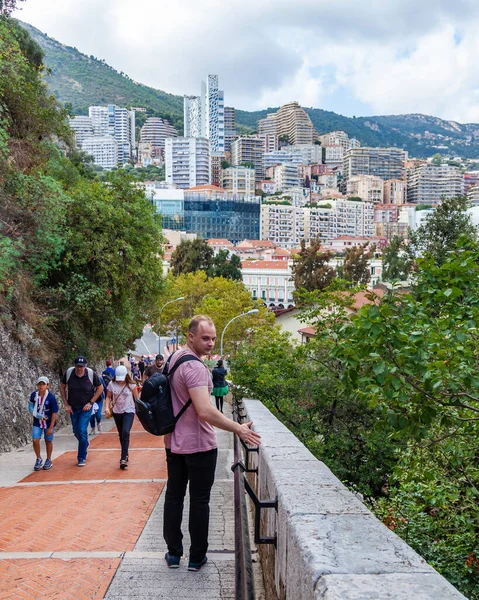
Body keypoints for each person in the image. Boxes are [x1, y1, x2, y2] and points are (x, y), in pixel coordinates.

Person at [163, 315, 261, 571]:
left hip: (173, 442)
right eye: (205, 338)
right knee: (199, 501)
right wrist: (238, 428)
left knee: (174, 496)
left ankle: (173, 554)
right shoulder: (195, 367)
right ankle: (196, 557)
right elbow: (205, 411)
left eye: (213, 338)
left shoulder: (173, 359)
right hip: (198, 445)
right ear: (190, 336)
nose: (210, 343)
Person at [60, 356, 104, 467]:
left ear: (86, 366)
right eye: (78, 366)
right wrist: (66, 404)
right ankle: (85, 443)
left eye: (82, 367)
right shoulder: (69, 373)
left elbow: (100, 388)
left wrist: (91, 402)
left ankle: (81, 457)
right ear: (75, 366)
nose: (80, 369)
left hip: (86, 408)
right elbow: (62, 387)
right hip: (73, 407)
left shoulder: (90, 374)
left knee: (82, 429)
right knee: (76, 431)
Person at [105, 365, 138, 469]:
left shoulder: (131, 385)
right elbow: (108, 397)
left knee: (125, 432)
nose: (119, 381)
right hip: (117, 412)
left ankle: (123, 458)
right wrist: (106, 407)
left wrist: (140, 412)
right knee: (121, 434)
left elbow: (137, 398)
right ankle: (126, 452)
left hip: (129, 411)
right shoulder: (111, 384)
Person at [29, 376, 59, 471]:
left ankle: (48, 459)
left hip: (49, 422)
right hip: (37, 422)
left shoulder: (51, 397)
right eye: (39, 384)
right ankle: (38, 458)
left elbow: (54, 413)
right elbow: (30, 408)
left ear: (47, 385)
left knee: (48, 440)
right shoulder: (34, 395)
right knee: (35, 440)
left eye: (43, 384)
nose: (41, 386)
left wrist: (51, 427)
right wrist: (39, 416)